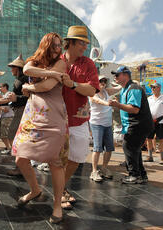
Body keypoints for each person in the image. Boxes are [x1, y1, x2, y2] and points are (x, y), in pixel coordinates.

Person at [12, 32, 69, 224]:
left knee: (56, 163)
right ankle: (35, 190)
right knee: (20, 158)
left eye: (60, 45)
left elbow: (47, 87)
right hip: (32, 117)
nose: (58, 49)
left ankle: (57, 205)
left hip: (53, 117)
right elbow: (27, 70)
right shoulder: (34, 61)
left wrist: (28, 88)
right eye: (54, 45)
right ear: (45, 45)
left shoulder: (61, 63)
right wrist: (50, 73)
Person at [60, 26, 99, 208]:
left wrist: (73, 84)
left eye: (85, 43)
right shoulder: (56, 61)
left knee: (77, 158)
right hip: (56, 118)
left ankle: (59, 187)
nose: (84, 46)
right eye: (81, 42)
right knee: (57, 158)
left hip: (79, 119)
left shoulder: (88, 63)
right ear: (71, 42)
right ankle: (60, 191)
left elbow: (92, 89)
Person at [109, 66, 153, 184]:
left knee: (128, 146)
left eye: (117, 74)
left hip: (138, 124)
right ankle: (141, 175)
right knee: (134, 149)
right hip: (136, 124)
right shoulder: (125, 89)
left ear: (125, 75)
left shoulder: (134, 88)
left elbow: (134, 109)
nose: (115, 77)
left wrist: (117, 105)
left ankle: (134, 175)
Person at [89, 75, 121, 182]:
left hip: (107, 124)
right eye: (100, 81)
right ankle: (94, 171)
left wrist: (128, 82)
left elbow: (119, 88)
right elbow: (98, 101)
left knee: (109, 148)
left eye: (104, 81)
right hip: (97, 124)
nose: (103, 82)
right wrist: (109, 103)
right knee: (97, 148)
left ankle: (104, 168)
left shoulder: (107, 91)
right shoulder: (92, 93)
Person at [6, 54, 29, 176]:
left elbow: (29, 96)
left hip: (22, 110)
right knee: (14, 137)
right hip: (18, 110)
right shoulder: (18, 80)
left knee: (13, 135)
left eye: (13, 68)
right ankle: (21, 164)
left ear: (18, 68)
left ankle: (21, 165)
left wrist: (15, 98)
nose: (11, 70)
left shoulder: (25, 79)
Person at [145, 83, 163, 164]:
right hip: (150, 121)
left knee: (161, 140)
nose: (152, 89)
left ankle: (162, 158)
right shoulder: (149, 98)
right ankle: (150, 156)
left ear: (159, 88)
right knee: (149, 139)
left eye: (154, 87)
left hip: (160, 122)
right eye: (151, 87)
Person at [0, 83, 14, 154]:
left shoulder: (8, 94)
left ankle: (10, 148)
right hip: (4, 117)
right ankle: (9, 148)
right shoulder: (4, 95)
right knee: (3, 134)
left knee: (5, 134)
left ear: (5, 87)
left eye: (1, 87)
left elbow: (7, 107)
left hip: (8, 117)